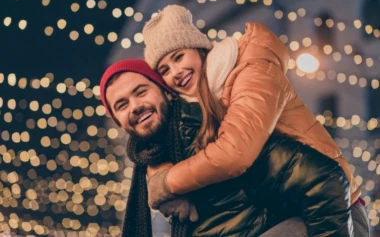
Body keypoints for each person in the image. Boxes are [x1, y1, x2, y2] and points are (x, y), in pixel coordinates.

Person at [141, 5, 368, 236]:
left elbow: (235, 153)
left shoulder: (252, 70)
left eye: (178, 57)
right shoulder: (206, 98)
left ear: (199, 49)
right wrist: (157, 169)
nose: (175, 71)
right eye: (165, 70)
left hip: (335, 207)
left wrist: (168, 182)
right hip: (289, 209)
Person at [100, 59, 361, 237]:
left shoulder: (213, 132)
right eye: (121, 105)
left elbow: (326, 179)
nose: (134, 106)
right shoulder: (153, 164)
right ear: (119, 123)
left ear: (166, 92)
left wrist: (169, 182)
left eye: (141, 91)